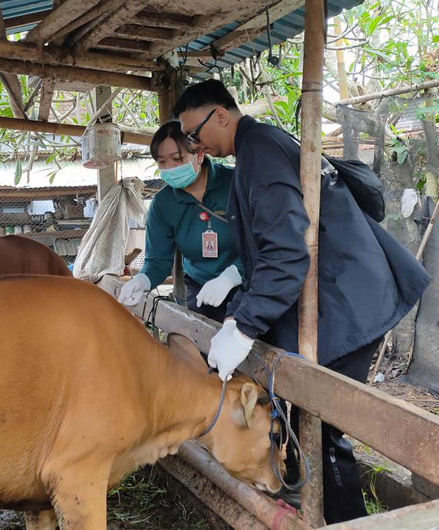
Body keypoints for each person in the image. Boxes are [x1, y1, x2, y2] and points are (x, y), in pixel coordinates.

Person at [172, 79, 431, 524]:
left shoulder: (259, 151)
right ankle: (308, 502)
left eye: (194, 134)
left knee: (324, 422)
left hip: (347, 298)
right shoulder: (261, 145)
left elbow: (288, 252)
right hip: (340, 291)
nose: (196, 146)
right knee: (309, 415)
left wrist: (246, 323)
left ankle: (342, 518)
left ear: (219, 115)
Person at [118, 121, 243, 323]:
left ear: (200, 154)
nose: (169, 168)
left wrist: (231, 277)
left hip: (250, 286)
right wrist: (143, 280)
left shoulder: (236, 184)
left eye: (177, 159)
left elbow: (263, 242)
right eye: (162, 162)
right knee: (202, 346)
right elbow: (158, 260)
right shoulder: (163, 204)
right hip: (200, 288)